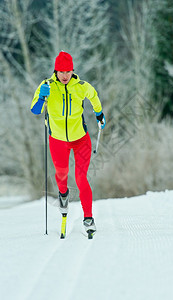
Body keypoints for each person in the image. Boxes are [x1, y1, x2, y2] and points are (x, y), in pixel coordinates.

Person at [31, 51, 106, 234]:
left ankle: (88, 218)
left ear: (73, 70)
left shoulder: (81, 86)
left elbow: (94, 95)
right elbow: (35, 110)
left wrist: (99, 113)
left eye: (68, 71)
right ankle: (63, 194)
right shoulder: (46, 86)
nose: (65, 75)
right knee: (62, 174)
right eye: (61, 72)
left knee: (81, 178)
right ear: (55, 71)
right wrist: (42, 97)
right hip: (58, 140)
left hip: (81, 139)